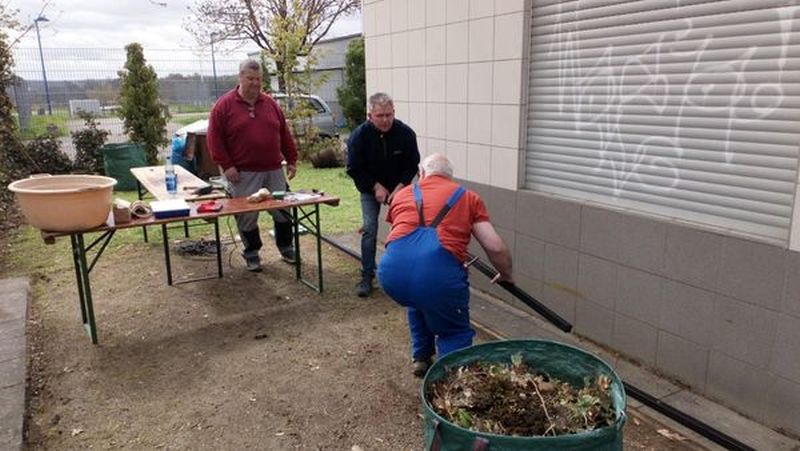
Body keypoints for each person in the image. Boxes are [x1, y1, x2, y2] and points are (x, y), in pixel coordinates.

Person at [377, 153, 513, 377]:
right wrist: (506, 274)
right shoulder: (468, 198)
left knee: (418, 300)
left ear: (421, 173)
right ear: (450, 177)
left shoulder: (402, 194)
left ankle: (421, 357)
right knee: (454, 331)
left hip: (392, 274)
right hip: (437, 278)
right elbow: (495, 247)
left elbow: (396, 235)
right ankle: (452, 383)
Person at [207, 58, 298, 272]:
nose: (255, 83)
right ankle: (252, 253)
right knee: (247, 215)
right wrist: (227, 166)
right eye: (250, 79)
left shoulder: (270, 104)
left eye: (258, 79)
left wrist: (291, 159)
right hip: (243, 173)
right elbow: (214, 140)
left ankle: (286, 248)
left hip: (273, 170)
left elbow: (283, 133)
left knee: (283, 211)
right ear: (240, 77)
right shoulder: (223, 106)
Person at [346, 92, 420, 297]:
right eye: (380, 116)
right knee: (370, 229)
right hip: (371, 189)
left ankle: (402, 273)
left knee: (404, 229)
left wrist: (401, 186)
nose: (386, 120)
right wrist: (375, 186)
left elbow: (412, 163)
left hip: (399, 188)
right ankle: (367, 275)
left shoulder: (405, 134)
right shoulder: (359, 136)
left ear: (394, 113)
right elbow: (354, 169)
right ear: (370, 116)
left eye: (389, 114)